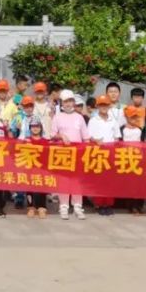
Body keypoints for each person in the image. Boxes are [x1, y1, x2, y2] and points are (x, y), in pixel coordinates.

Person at [53, 90, 89, 220]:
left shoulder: (79, 117)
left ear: (74, 102)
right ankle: (63, 206)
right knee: (64, 179)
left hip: (78, 153)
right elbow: (52, 134)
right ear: (62, 103)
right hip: (63, 153)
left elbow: (86, 137)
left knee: (77, 180)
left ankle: (78, 206)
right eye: (65, 101)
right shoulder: (57, 117)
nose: (68, 104)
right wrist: (61, 135)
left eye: (70, 101)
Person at [88, 94, 121, 216]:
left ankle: (108, 204)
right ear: (97, 106)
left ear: (109, 106)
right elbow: (89, 136)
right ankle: (99, 204)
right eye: (101, 105)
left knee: (110, 180)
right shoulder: (93, 120)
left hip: (111, 153)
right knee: (99, 180)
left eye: (106, 105)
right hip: (98, 153)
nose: (103, 107)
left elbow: (117, 137)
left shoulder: (114, 121)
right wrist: (95, 140)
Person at [120, 105, 146, 215]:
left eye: (135, 117)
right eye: (131, 117)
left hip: (138, 159)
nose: (134, 119)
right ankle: (131, 206)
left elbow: (144, 145)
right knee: (129, 184)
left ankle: (139, 206)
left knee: (139, 184)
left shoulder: (140, 130)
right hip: (126, 159)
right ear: (126, 117)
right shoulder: (122, 129)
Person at [25, 118, 50, 219]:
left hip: (42, 169)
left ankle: (41, 208)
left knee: (41, 188)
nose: (35, 129)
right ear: (30, 128)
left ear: (41, 128)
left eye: (37, 126)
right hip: (30, 168)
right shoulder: (27, 140)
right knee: (29, 188)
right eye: (33, 127)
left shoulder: (45, 141)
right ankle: (31, 207)